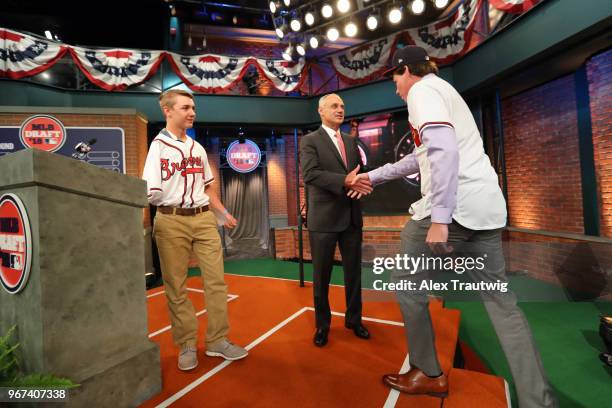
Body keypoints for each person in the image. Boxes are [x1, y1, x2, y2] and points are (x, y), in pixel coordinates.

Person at [349, 46, 557, 407]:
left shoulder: (421, 91)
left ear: (405, 71)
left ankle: (428, 374)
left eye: (394, 78)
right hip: (486, 208)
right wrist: (372, 176)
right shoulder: (445, 92)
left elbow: (443, 151)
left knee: (404, 281)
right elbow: (421, 157)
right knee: (504, 306)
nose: (395, 87)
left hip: (453, 209)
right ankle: (539, 401)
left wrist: (441, 217)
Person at [142, 89, 247, 371]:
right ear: (168, 110)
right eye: (186, 107)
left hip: (203, 219)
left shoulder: (197, 148)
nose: (192, 112)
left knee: (216, 281)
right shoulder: (158, 147)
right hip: (171, 218)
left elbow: (208, 187)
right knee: (176, 286)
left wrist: (222, 213)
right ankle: (187, 344)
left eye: (193, 108)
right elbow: (149, 192)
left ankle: (217, 340)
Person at [299, 93, 373, 347]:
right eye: (334, 106)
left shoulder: (352, 142)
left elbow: (356, 174)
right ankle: (323, 326)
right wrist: (345, 181)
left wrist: (361, 183)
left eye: (342, 105)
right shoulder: (309, 141)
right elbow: (310, 174)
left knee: (354, 275)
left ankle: (354, 320)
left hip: (352, 217)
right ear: (321, 111)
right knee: (321, 277)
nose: (340, 109)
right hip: (324, 220)